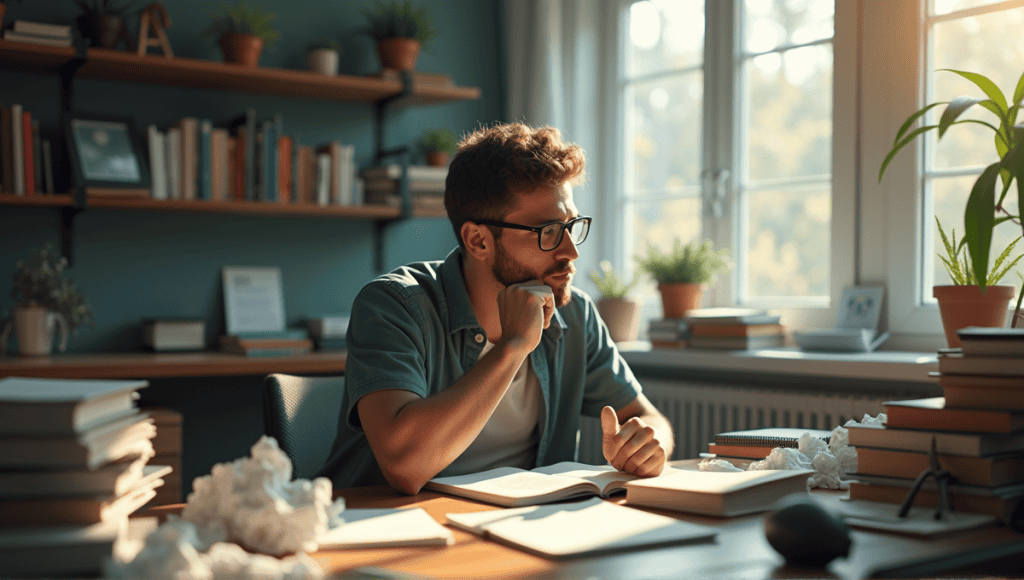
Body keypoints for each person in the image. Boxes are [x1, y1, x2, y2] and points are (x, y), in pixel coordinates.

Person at [318, 122, 674, 494]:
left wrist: (648, 446)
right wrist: (512, 348)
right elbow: (405, 466)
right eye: (549, 231)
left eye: (572, 226)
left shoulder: (574, 313)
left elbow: (649, 419)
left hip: (519, 532)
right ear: (478, 240)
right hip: (390, 532)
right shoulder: (393, 307)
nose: (571, 252)